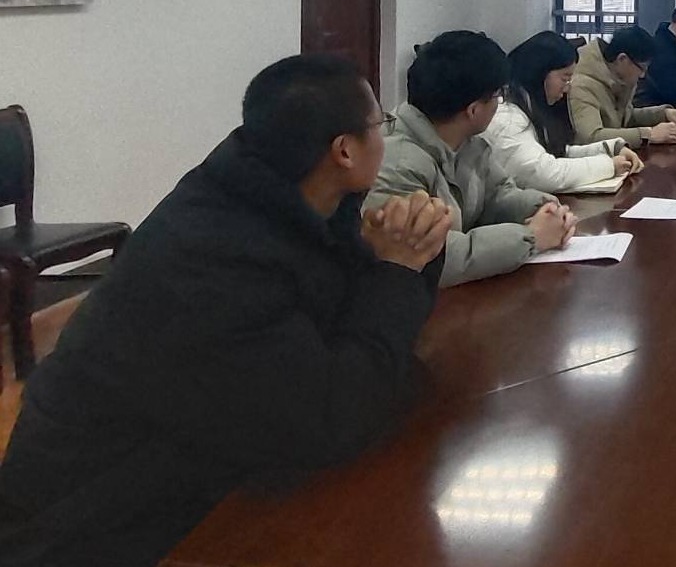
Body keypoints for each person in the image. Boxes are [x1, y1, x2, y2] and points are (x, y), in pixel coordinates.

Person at [0, 55, 454, 567]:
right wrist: (395, 270)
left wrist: (407, 248)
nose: (386, 136)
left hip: (189, 470)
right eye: (380, 124)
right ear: (344, 150)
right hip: (88, 526)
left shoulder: (282, 193)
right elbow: (329, 418)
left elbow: (345, 330)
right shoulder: (215, 257)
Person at [368, 31, 576, 287]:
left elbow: (497, 196)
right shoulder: (398, 162)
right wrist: (531, 237)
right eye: (498, 95)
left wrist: (544, 208)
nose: (500, 103)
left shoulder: (469, 142)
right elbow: (435, 255)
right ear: (474, 110)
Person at [484, 31, 645, 193]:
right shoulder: (508, 116)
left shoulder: (531, 106)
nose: (568, 88)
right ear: (539, 73)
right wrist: (608, 166)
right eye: (565, 78)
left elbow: (558, 152)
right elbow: (544, 173)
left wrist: (612, 149)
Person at [570, 26, 676, 148]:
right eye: (642, 68)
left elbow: (625, 118)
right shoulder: (583, 84)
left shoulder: (618, 78)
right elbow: (590, 137)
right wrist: (648, 134)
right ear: (622, 59)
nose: (643, 75)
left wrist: (664, 114)